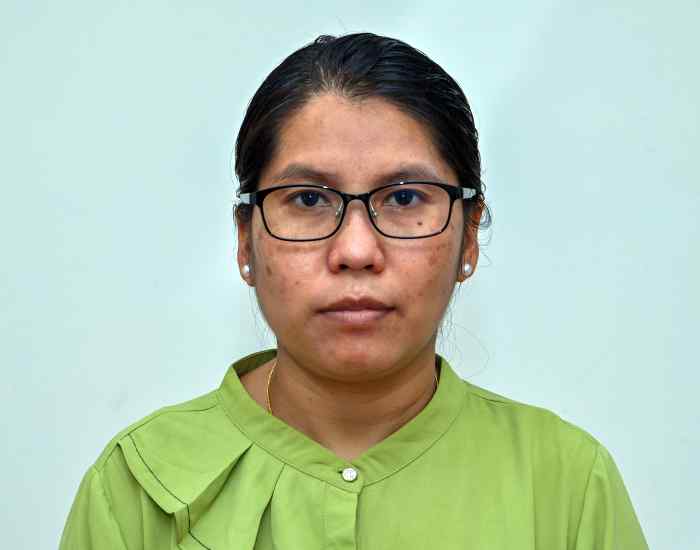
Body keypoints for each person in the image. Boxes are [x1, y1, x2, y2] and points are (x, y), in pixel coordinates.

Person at [59, 32, 649, 549]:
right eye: (308, 199)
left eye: (404, 197)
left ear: (469, 236)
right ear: (245, 241)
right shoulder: (135, 484)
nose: (357, 250)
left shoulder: (568, 484)